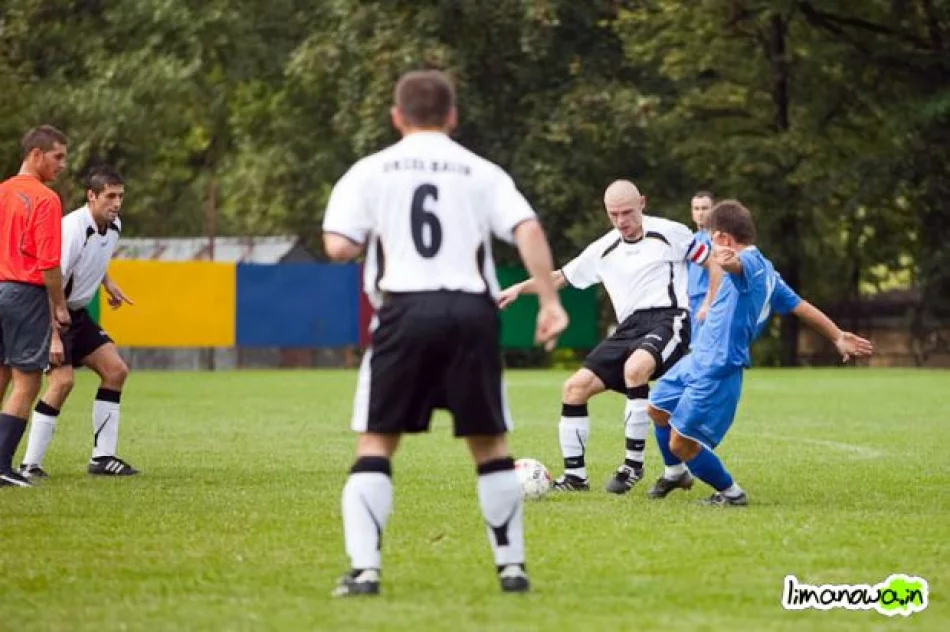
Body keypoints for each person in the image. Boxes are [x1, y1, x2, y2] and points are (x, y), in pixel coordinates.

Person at [321, 69, 568, 597]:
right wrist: (548, 300)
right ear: (452, 116)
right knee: (490, 444)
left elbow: (339, 246)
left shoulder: (370, 170)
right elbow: (528, 229)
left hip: (404, 312)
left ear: (396, 116)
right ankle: (512, 569)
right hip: (470, 314)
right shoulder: (481, 171)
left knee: (378, 441)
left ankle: (365, 572)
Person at [498, 180, 719, 494]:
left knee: (635, 368)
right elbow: (560, 277)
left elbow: (710, 261)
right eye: (613, 214)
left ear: (642, 203)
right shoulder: (603, 248)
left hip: (670, 318)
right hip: (628, 328)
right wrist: (519, 288)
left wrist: (709, 301)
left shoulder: (670, 232)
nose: (621, 221)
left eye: (627, 212)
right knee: (574, 388)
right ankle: (575, 478)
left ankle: (633, 466)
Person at [646, 200, 874, 505]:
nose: (710, 246)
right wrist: (836, 335)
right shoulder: (770, 273)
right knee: (657, 408)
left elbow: (736, 266)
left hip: (718, 368)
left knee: (681, 443)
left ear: (725, 239)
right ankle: (674, 474)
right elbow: (801, 306)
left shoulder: (750, 265)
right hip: (697, 359)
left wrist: (728, 263)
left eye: (712, 239)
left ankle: (731, 493)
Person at [18, 166, 138, 480]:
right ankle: (29, 464)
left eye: (120, 196)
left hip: (76, 314)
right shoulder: (72, 229)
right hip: (51, 311)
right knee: (62, 382)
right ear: (91, 196)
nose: (116, 203)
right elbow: (50, 277)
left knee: (116, 371)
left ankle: (103, 458)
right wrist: (54, 335)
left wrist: (107, 282)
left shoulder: (114, 226)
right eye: (110, 196)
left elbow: (96, 259)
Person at [0, 125, 71, 488]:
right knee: (25, 381)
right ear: (36, 154)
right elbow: (48, 264)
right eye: (58, 156)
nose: (62, 164)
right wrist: (59, 306)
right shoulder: (45, 198)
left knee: (0, 375)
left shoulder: (2, 192)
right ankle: (2, 466)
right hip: (23, 294)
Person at [686, 191, 715, 343]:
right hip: (690, 302)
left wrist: (707, 303)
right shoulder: (691, 239)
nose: (700, 213)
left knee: (703, 348)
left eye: (705, 208)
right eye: (696, 208)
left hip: (707, 299)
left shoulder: (716, 239)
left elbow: (718, 273)